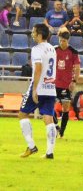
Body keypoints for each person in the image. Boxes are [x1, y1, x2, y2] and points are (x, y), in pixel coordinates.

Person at [18, 24, 57, 159]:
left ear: (40, 35)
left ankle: (31, 146)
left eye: (34, 32)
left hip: (39, 87)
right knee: (48, 118)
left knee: (22, 114)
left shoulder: (36, 49)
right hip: (50, 87)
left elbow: (38, 68)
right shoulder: (52, 48)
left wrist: (35, 89)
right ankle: (49, 152)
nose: (32, 34)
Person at [54, 31, 80, 138]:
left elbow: (77, 68)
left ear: (68, 40)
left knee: (65, 108)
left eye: (64, 41)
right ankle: (56, 125)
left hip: (66, 85)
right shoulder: (54, 50)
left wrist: (74, 81)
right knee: (48, 106)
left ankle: (61, 132)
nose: (61, 43)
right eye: (60, 40)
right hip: (54, 84)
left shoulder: (73, 52)